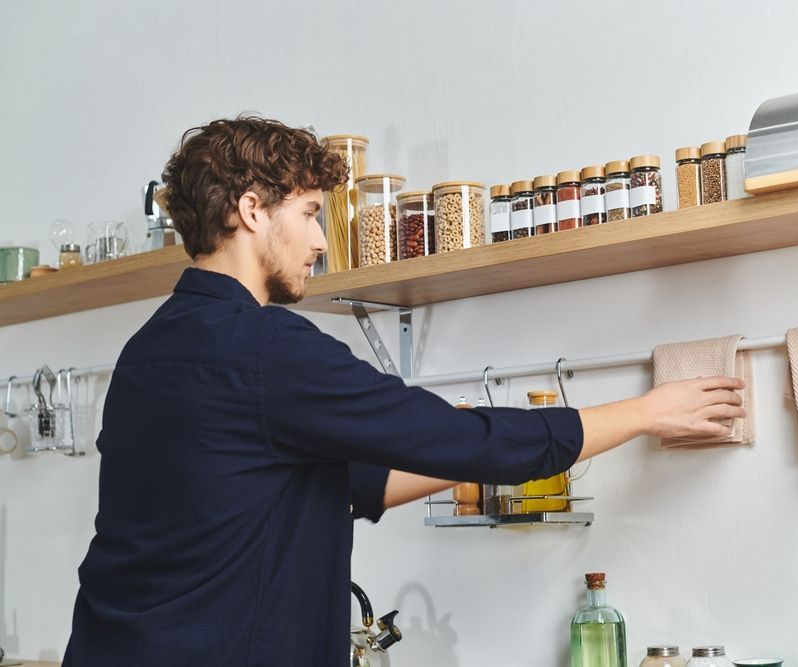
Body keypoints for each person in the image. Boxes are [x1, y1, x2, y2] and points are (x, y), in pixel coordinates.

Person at [63, 116, 745, 665]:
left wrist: (451, 437)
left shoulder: (147, 352)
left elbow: (344, 482)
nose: (321, 242)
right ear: (250, 210)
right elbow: (471, 444)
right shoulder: (268, 348)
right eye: (307, 213)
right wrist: (647, 410)